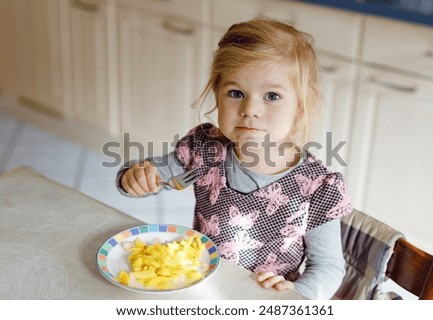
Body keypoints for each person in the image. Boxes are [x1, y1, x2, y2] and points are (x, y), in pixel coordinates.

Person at [116, 19, 352, 299]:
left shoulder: (319, 186)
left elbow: (328, 267)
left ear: (300, 106)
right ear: (217, 94)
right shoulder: (203, 147)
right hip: (203, 288)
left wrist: (297, 295)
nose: (250, 109)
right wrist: (134, 177)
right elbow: (152, 174)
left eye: (272, 96)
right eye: (236, 93)